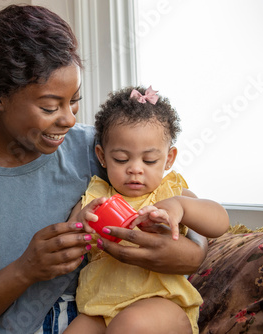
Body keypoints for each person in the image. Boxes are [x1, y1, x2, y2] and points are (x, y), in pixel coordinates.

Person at [0, 5, 209, 334]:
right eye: (50, 106)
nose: (68, 119)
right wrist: (25, 270)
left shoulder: (101, 149)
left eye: (74, 100)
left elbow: (184, 215)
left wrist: (190, 254)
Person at [64, 86, 230, 334]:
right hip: (98, 310)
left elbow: (220, 222)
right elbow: (69, 237)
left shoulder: (172, 194)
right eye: (121, 159)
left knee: (131, 325)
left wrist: (181, 206)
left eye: (149, 160)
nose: (135, 169)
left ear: (169, 158)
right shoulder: (95, 196)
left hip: (161, 306)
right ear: (102, 156)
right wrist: (83, 221)